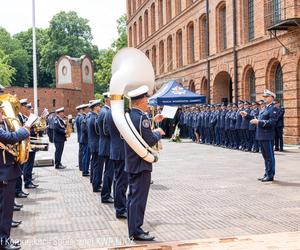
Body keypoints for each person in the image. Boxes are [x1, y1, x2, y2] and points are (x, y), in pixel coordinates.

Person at [125, 85, 165, 241]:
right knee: (138, 198)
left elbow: (139, 134)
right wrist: (158, 133)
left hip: (131, 162)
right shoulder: (141, 118)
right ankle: (136, 230)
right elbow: (148, 139)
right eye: (146, 98)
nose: (148, 101)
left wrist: (152, 121)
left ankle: (133, 228)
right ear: (140, 100)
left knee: (132, 197)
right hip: (141, 163)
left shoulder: (131, 116)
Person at [0, 100, 31, 250]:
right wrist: (25, 130)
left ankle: (4, 239)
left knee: (6, 209)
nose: (3, 114)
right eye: (1, 111)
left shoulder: (2, 123)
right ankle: (4, 240)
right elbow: (10, 138)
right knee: (5, 211)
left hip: (8, 172)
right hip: (3, 173)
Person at [241, 89, 279, 182]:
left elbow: (272, 122)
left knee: (269, 156)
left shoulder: (273, 108)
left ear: (272, 98)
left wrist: (259, 122)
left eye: (266, 97)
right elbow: (256, 119)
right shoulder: (264, 108)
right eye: (264, 97)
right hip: (261, 135)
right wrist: (246, 116)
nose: (264, 98)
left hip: (267, 135)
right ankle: (266, 173)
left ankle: (270, 175)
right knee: (265, 156)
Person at [105, 107, 128, 218]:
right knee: (121, 183)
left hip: (115, 149)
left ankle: (119, 206)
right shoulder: (118, 112)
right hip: (121, 151)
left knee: (117, 181)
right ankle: (120, 209)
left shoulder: (110, 112)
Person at [97, 93, 114, 203]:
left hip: (105, 145)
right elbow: (105, 131)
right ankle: (106, 195)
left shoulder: (103, 111)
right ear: (108, 99)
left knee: (108, 171)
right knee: (109, 172)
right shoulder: (106, 112)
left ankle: (106, 194)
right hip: (108, 146)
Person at [87, 100, 102, 192]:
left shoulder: (91, 117)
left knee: (94, 164)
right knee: (98, 167)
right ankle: (96, 185)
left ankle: (94, 181)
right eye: (99, 106)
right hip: (97, 145)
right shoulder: (95, 118)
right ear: (95, 107)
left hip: (93, 144)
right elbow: (98, 132)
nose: (100, 108)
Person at [15, 99, 29, 199]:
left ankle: (18, 190)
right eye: (25, 106)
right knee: (18, 170)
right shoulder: (17, 117)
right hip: (16, 145)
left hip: (20, 144)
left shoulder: (20, 117)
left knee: (19, 170)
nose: (27, 109)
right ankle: (18, 191)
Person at [23, 103, 39, 189]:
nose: (30, 111)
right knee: (28, 163)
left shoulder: (28, 119)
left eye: (31, 109)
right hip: (27, 144)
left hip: (32, 142)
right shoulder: (24, 119)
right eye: (29, 109)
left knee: (30, 163)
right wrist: (32, 129)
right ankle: (27, 182)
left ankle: (29, 180)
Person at [79, 104, 90, 177]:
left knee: (86, 156)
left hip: (86, 139)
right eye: (88, 108)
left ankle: (85, 169)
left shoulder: (85, 117)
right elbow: (84, 129)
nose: (89, 109)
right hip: (85, 139)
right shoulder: (83, 117)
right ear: (85, 109)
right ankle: (85, 170)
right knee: (86, 156)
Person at [75, 105, 84, 171]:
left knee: (81, 152)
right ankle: (82, 166)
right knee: (82, 153)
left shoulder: (77, 117)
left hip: (80, 137)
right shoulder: (80, 117)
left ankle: (81, 165)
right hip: (82, 137)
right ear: (80, 110)